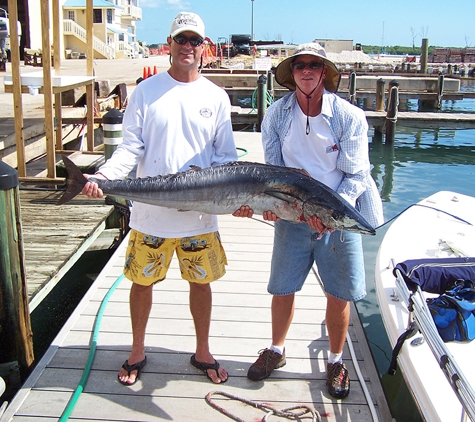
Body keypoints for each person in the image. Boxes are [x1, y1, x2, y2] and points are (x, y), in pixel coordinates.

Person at [82, 11, 237, 385]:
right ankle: (137, 350)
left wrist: (235, 198)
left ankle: (202, 351)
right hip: (149, 215)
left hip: (200, 216)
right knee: (142, 282)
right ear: (169, 45)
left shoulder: (216, 97)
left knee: (202, 283)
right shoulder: (146, 92)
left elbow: (226, 159)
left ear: (204, 48)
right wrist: (104, 177)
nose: (187, 47)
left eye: (194, 41)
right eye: (180, 40)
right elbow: (130, 148)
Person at [234, 43, 384, 399]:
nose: (306, 70)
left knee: (339, 293)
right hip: (291, 216)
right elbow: (274, 175)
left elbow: (357, 176)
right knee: (282, 287)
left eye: (314, 65)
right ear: (292, 74)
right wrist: (266, 206)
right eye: (299, 65)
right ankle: (276, 350)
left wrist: (328, 214)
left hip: (339, 215)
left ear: (324, 72)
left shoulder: (348, 117)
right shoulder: (276, 115)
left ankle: (335, 360)